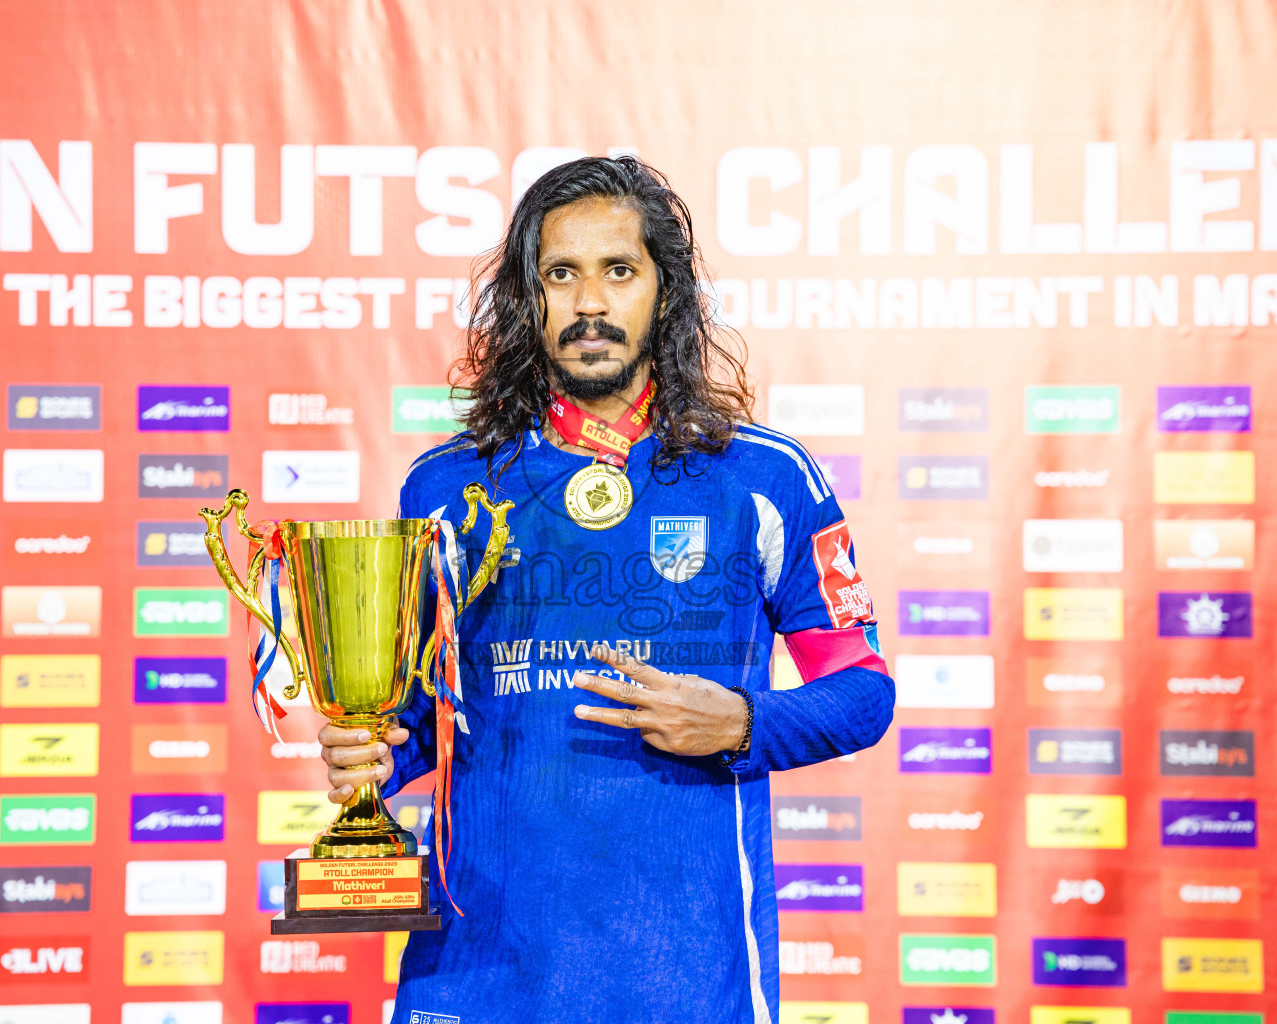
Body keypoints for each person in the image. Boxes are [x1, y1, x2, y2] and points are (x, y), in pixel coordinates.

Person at [318, 156, 894, 1024]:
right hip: (476, 975)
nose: (589, 303)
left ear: (665, 293)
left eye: (618, 271)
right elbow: (426, 721)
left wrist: (742, 723)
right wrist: (374, 754)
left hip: (689, 979)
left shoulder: (763, 480)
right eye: (560, 275)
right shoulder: (442, 489)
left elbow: (863, 690)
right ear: (525, 299)